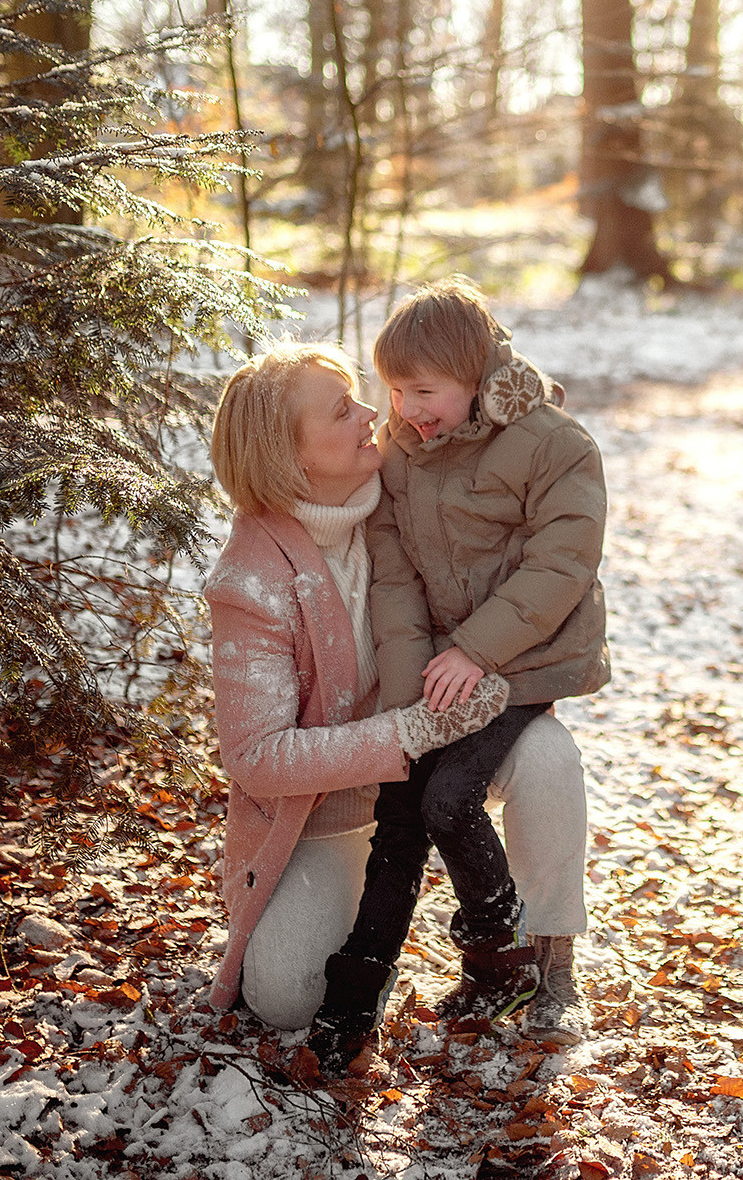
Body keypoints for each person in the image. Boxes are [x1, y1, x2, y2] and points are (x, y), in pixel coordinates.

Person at [308, 278, 605, 1068]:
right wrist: (411, 705)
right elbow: (397, 576)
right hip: (444, 668)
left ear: (475, 378)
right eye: (395, 390)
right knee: (406, 808)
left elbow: (561, 562)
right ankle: (369, 987)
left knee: (494, 782)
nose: (405, 408)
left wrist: (476, 648)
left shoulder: (555, 444)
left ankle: (530, 963)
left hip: (526, 660)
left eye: (424, 390)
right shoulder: (405, 453)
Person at [200, 343, 514, 1028]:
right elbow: (255, 755)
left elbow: (483, 419)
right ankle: (363, 909)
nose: (373, 413)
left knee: (551, 759)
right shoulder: (251, 582)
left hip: (448, 761)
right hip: (331, 819)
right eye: (344, 411)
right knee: (285, 995)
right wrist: (403, 734)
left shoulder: (398, 491)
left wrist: (517, 382)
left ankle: (539, 961)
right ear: (290, 458)